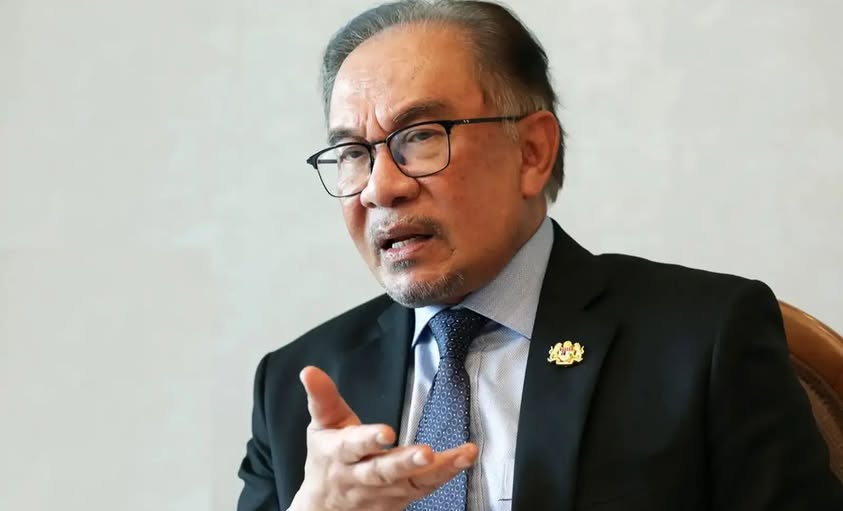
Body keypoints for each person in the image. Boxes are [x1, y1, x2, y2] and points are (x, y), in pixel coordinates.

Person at [237, 1, 843, 510]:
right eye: (352, 153)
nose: (379, 187)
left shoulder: (702, 339)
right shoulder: (294, 389)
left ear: (531, 152)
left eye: (419, 137)